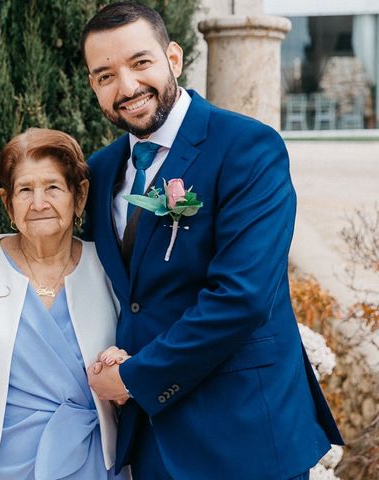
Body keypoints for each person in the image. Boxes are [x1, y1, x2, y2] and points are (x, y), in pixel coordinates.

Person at [80, 3, 344, 479]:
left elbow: (242, 297)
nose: (127, 88)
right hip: (152, 440)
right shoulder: (100, 172)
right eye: (104, 75)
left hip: (244, 436)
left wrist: (133, 377)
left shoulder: (247, 147)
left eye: (140, 63)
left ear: (173, 58)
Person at [0, 128, 129, 480]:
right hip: (0, 466)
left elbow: (133, 350)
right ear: (7, 202)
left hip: (91, 463)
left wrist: (124, 369)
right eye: (25, 190)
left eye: (53, 188)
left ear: (79, 197)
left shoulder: (106, 266)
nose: (38, 203)